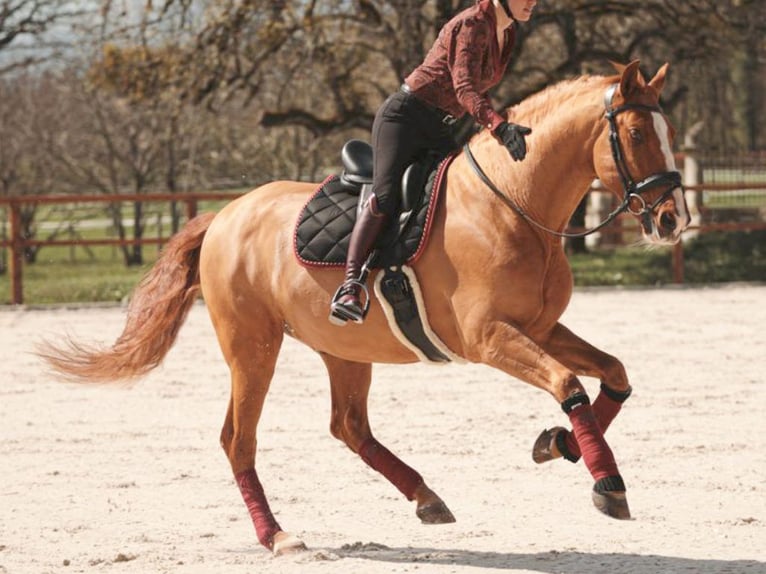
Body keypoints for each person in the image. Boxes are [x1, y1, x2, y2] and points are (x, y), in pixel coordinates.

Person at [330, 0, 536, 325]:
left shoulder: (507, 33)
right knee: (385, 197)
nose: (534, 2)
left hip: (439, 125)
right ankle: (350, 286)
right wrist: (497, 124)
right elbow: (464, 86)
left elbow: (475, 90)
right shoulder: (471, 24)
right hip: (404, 118)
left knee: (460, 197)